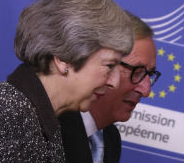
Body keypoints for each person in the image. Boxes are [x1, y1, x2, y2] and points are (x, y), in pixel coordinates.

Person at [0, 0, 133, 162]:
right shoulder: (5, 116)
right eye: (109, 66)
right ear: (64, 59)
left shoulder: (39, 119)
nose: (114, 82)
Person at [59, 11, 161, 162]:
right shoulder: (48, 127)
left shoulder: (110, 140)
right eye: (137, 72)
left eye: (149, 75)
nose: (146, 91)